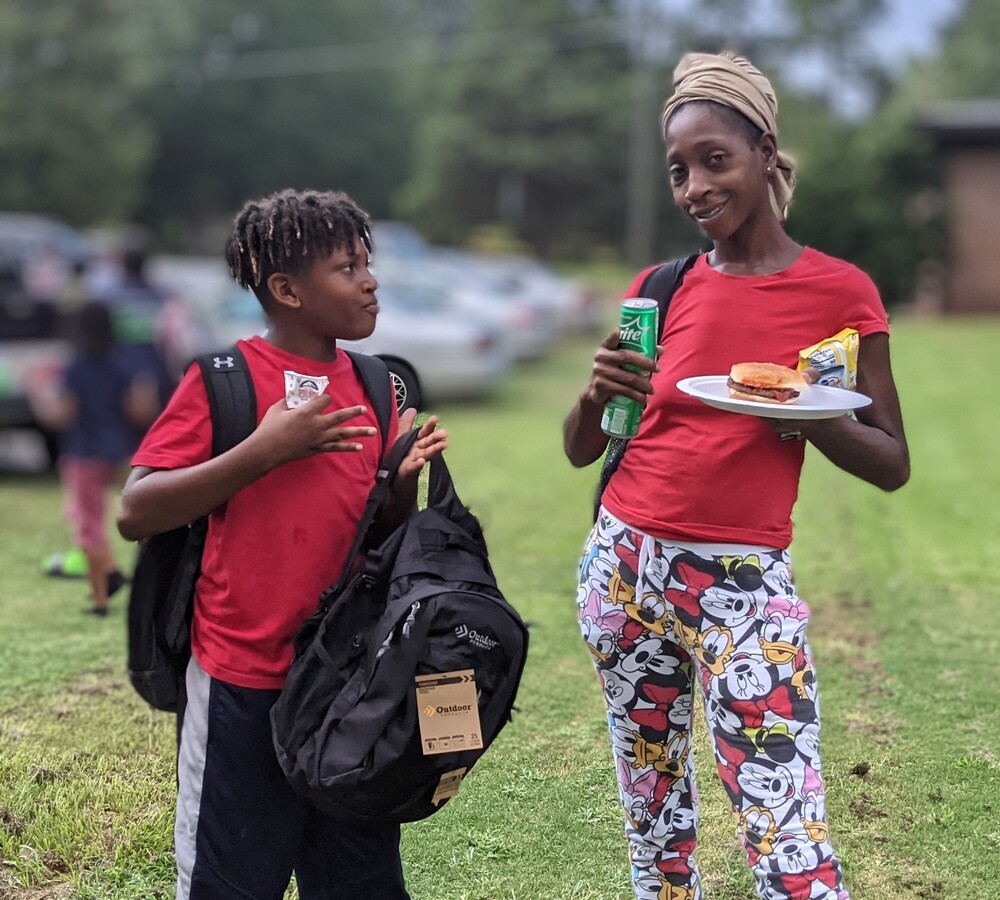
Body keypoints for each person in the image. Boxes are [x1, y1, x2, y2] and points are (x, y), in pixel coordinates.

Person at [563, 51, 909, 900]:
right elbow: (585, 446)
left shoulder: (839, 292)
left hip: (744, 584)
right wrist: (595, 391)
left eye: (715, 160)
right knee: (654, 822)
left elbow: (893, 461)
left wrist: (804, 412)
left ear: (764, 151)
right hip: (626, 568)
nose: (694, 188)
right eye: (679, 169)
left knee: (786, 827)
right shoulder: (663, 286)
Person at [116, 188, 447, 900]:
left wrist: (400, 481)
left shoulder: (376, 385)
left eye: (367, 262)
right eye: (347, 266)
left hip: (347, 690)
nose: (370, 280)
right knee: (233, 883)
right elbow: (135, 510)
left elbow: (382, 540)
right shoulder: (223, 384)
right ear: (286, 289)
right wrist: (265, 450)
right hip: (242, 686)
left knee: (358, 882)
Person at [26, 301, 161, 614]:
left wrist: (37, 395)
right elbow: (138, 411)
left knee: (88, 525)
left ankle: (101, 597)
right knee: (137, 518)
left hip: (84, 454)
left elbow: (62, 414)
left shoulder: (75, 367)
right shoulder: (124, 363)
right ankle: (119, 574)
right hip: (122, 452)